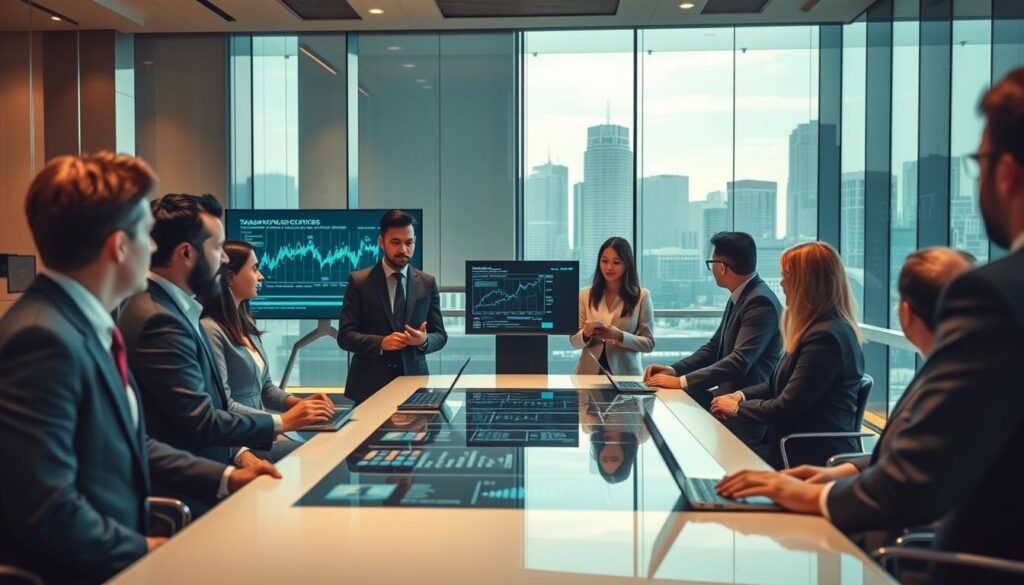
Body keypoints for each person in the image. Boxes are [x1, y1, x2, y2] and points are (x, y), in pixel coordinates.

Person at [716, 70, 1024, 584]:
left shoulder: (997, 294)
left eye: (980, 162)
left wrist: (810, 494)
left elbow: (916, 480)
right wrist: (840, 474)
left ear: (1008, 172)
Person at [0, 153, 279, 584]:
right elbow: (46, 509)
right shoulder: (42, 340)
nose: (153, 249)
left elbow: (133, 444)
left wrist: (227, 477)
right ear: (118, 246)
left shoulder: (87, 325)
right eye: (146, 235)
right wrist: (148, 551)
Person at [117, 194, 332, 483]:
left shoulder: (172, 309)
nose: (225, 259)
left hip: (210, 472)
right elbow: (200, 419)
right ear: (186, 253)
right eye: (217, 247)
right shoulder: (159, 319)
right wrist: (282, 422)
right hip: (193, 486)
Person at [708, 241, 864, 469]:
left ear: (807, 282)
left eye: (786, 276)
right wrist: (739, 396)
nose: (781, 283)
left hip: (806, 455)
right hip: (790, 445)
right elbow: (775, 385)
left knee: (723, 463)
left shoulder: (825, 338)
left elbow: (787, 406)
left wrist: (737, 409)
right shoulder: (817, 329)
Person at [200, 240, 337, 462]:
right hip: (240, 440)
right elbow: (223, 404)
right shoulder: (211, 329)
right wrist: (281, 421)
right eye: (254, 269)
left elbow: (266, 389)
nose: (261, 276)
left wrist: (299, 404)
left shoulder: (246, 326)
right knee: (313, 456)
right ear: (229, 278)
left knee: (327, 446)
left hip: (262, 433)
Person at [644, 232, 783, 444]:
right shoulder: (741, 295)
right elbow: (714, 348)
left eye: (711, 263)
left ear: (722, 266)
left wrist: (680, 382)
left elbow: (739, 361)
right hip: (725, 407)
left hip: (745, 418)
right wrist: (674, 370)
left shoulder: (759, 302)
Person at [337, 209, 447, 403]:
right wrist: (380, 343)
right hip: (369, 387)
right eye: (395, 242)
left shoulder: (427, 283)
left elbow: (440, 335)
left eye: (409, 242)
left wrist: (423, 340)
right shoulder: (359, 282)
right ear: (381, 242)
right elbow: (345, 337)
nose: (403, 250)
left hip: (414, 384)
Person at [570, 237, 654, 376]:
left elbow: (648, 344)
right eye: (604, 261)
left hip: (625, 375)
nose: (609, 267)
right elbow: (574, 342)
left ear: (626, 264)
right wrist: (586, 333)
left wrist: (620, 336)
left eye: (616, 262)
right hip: (588, 374)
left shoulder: (641, 296)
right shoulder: (585, 294)